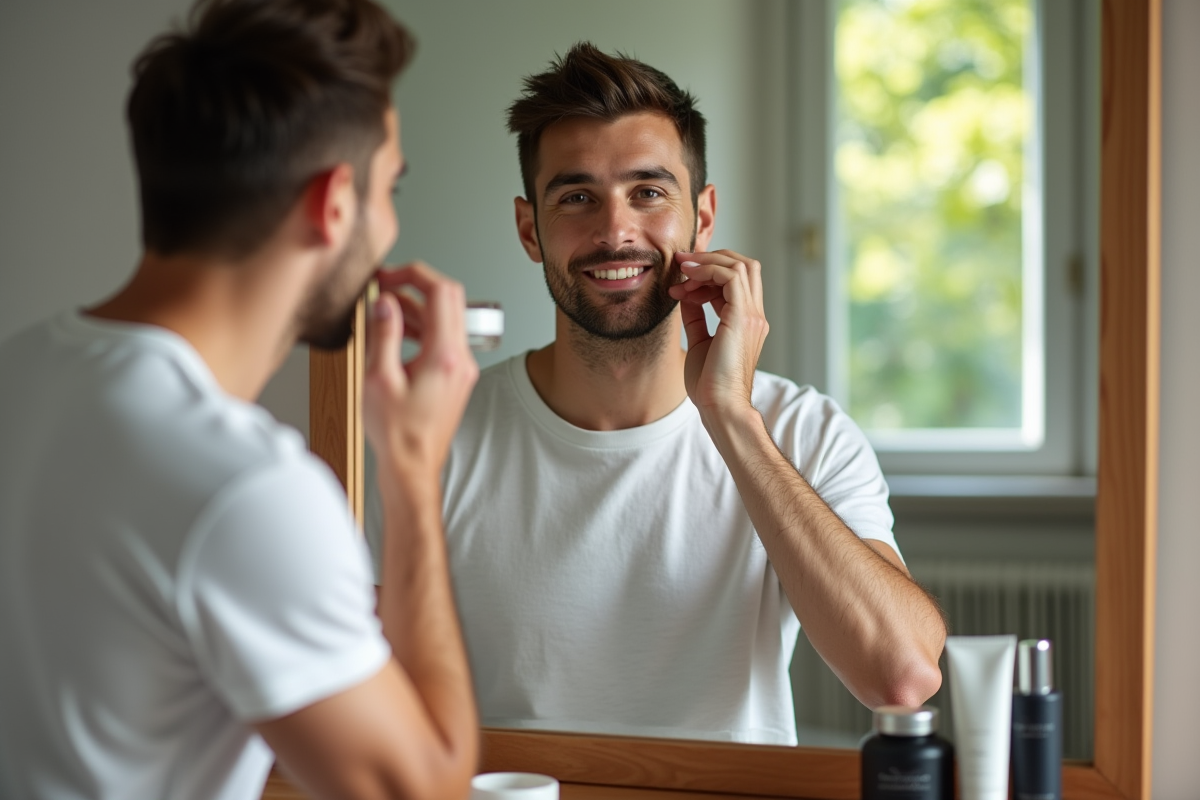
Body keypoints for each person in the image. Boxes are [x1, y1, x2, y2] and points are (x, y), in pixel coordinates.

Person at [0, 1, 480, 798]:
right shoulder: (246, 489)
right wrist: (412, 467)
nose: (389, 227)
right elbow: (422, 790)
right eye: (389, 187)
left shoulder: (18, 371)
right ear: (332, 205)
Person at [434, 43, 947, 745]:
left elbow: (903, 676)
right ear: (531, 228)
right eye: (577, 197)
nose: (616, 231)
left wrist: (731, 416)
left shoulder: (803, 432)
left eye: (648, 192)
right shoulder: (436, 432)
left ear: (703, 216)